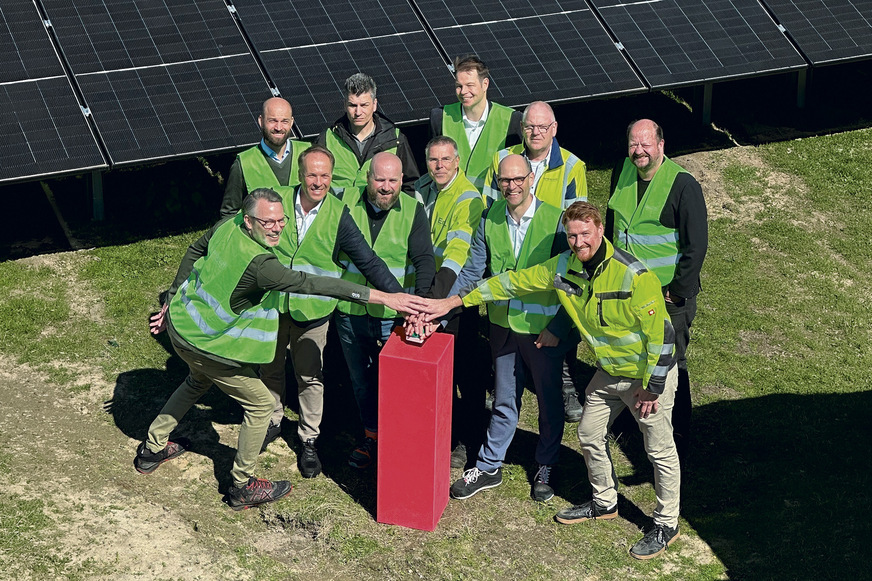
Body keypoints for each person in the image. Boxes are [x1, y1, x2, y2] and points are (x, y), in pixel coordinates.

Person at [420, 201, 680, 560]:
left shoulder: (633, 275)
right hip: (609, 372)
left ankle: (667, 523)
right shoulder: (562, 267)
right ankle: (605, 502)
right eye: (572, 236)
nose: (578, 242)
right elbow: (512, 283)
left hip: (645, 377)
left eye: (585, 234)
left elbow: (663, 336)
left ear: (600, 230)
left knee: (658, 450)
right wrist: (456, 301)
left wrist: (652, 387)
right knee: (589, 434)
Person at [136, 188, 423, 510]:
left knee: (196, 381)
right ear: (248, 221)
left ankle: (151, 449)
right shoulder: (261, 265)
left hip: (181, 326)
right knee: (260, 405)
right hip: (204, 345)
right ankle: (242, 485)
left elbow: (195, 249)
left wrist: (171, 296)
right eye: (267, 222)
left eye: (281, 220)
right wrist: (385, 297)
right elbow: (315, 284)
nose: (276, 228)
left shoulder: (228, 225)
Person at [254, 146, 413, 478]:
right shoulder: (276, 201)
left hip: (313, 309)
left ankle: (309, 439)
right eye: (312, 174)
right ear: (300, 175)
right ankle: (271, 420)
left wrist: (397, 297)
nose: (318, 182)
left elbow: (368, 261)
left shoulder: (339, 213)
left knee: (310, 375)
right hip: (272, 304)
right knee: (269, 366)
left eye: (325, 175)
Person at [436, 154, 574, 503]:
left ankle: (546, 464)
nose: (511, 186)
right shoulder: (490, 217)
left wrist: (558, 326)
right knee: (503, 399)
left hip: (542, 330)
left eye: (518, 179)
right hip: (501, 326)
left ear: (531, 180)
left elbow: (572, 281)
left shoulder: (556, 220)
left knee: (548, 401)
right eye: (505, 181)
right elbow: (473, 271)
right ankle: (489, 466)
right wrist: (444, 305)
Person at [482, 100, 589, 423]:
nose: (535, 132)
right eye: (529, 126)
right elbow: (489, 207)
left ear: (554, 129)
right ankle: (502, 384)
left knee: (559, 320)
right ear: (521, 128)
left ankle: (566, 384)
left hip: (552, 251)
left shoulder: (572, 165)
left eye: (542, 127)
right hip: (510, 249)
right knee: (506, 328)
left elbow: (578, 216)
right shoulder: (503, 159)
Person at [606, 119, 707, 456]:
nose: (639, 151)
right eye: (634, 144)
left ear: (661, 145)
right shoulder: (622, 170)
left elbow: (696, 246)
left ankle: (679, 433)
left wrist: (677, 292)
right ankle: (632, 421)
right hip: (627, 291)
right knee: (636, 356)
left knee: (671, 363)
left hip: (668, 297)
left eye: (646, 144)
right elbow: (614, 223)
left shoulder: (683, 185)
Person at [334, 152, 435, 468]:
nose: (386, 187)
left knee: (394, 382)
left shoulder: (413, 210)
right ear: (367, 178)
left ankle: (397, 441)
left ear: (402, 180)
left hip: (393, 316)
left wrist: (420, 305)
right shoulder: (343, 201)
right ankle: (371, 437)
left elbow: (424, 260)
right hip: (350, 310)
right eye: (379, 179)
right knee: (360, 380)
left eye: (393, 180)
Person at [413, 136, 488, 469]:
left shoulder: (468, 198)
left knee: (464, 374)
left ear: (457, 161)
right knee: (435, 373)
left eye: (446, 159)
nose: (439, 166)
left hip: (454, 294)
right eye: (433, 160)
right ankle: (438, 431)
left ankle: (468, 440)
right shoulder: (421, 188)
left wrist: (435, 304)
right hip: (428, 292)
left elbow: (458, 254)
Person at [429, 55, 522, 192]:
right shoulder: (440, 117)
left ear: (485, 84)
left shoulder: (510, 120)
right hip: (451, 202)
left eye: (470, 85)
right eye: (459, 86)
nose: (463, 92)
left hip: (492, 203)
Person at [317, 73, 419, 196]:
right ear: (344, 105)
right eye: (352, 105)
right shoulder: (327, 139)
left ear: (374, 104)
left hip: (380, 208)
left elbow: (411, 185)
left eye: (364, 105)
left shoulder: (395, 139)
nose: (358, 112)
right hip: (337, 208)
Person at [219, 98, 310, 218]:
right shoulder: (244, 163)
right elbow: (229, 214)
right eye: (272, 121)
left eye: (284, 121)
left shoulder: (310, 153)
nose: (278, 127)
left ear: (291, 122)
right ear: (261, 121)